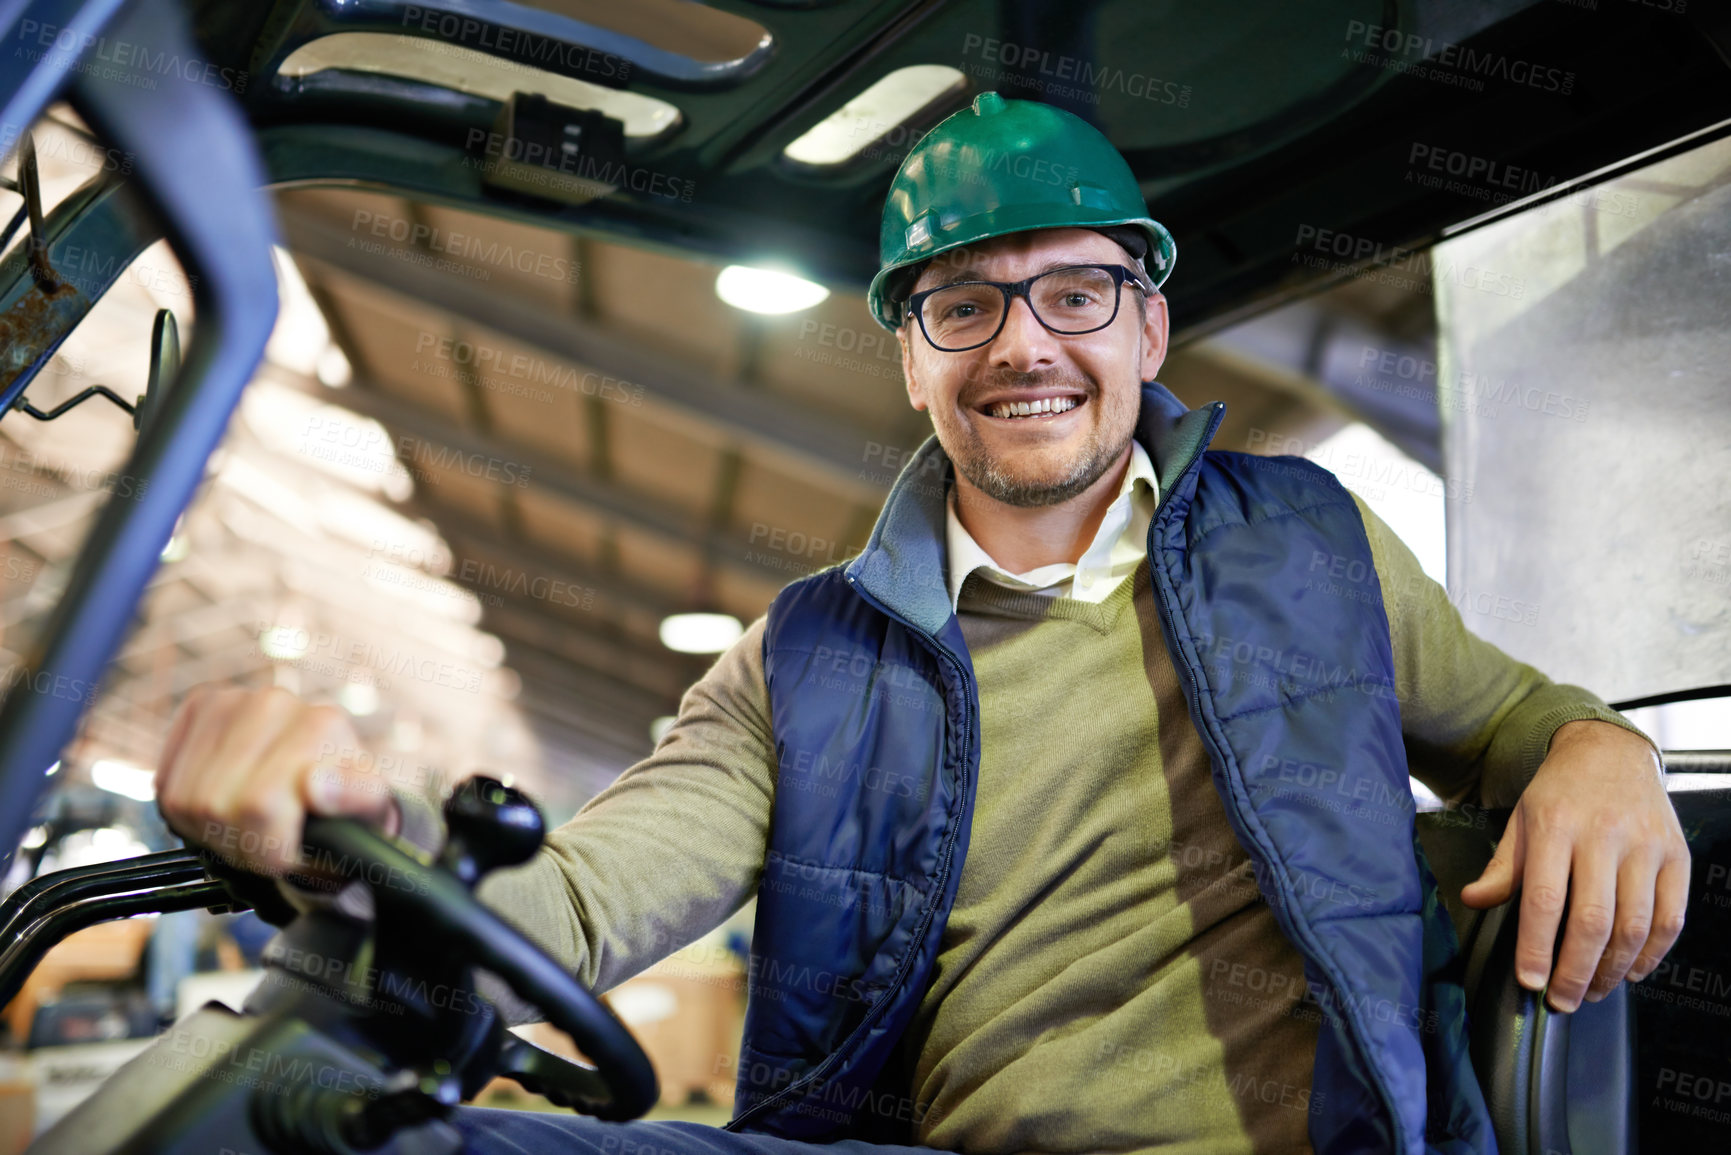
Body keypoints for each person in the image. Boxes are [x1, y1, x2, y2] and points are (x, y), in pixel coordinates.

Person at [154, 93, 1689, 1155]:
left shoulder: (1312, 541)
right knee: (324, 1132)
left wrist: (1602, 748)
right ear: (910, 357)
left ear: (1147, 325)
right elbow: (558, 917)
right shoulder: (805, 663)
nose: (1025, 347)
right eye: (964, 305)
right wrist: (342, 826)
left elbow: (1518, 725)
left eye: (1073, 296)